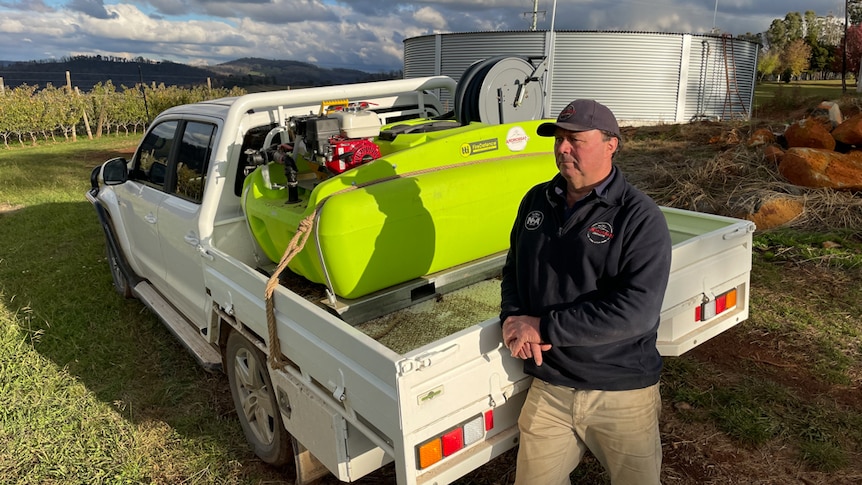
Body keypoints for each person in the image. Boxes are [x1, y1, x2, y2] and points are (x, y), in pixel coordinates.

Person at [500, 99, 672, 485]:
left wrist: (543, 327)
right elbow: (514, 268)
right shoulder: (536, 201)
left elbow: (636, 312)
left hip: (621, 390)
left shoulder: (639, 217)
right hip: (551, 386)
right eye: (559, 138)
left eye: (576, 139)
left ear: (611, 144)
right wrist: (512, 316)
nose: (563, 148)